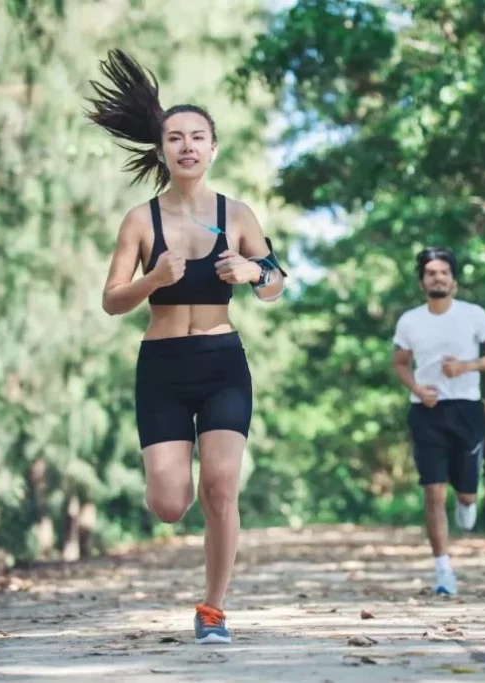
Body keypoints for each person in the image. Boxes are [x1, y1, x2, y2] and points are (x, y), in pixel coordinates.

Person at [85, 49, 287, 644]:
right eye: (175, 137)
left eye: (198, 136)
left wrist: (254, 274)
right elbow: (111, 300)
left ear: (213, 148)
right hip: (163, 367)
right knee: (171, 504)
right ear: (162, 151)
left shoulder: (238, 213)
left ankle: (213, 610)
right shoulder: (140, 221)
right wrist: (152, 280)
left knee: (221, 486)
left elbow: (278, 283)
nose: (187, 146)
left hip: (223, 362)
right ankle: (177, 508)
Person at [391, 246, 485, 596]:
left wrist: (466, 366)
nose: (438, 277)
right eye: (431, 273)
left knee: (466, 491)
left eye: (444, 272)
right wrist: (416, 387)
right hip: (426, 411)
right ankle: (443, 570)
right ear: (422, 282)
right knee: (433, 491)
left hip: (467, 409)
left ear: (454, 281)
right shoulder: (410, 321)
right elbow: (400, 362)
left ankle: (467, 502)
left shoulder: (473, 315)